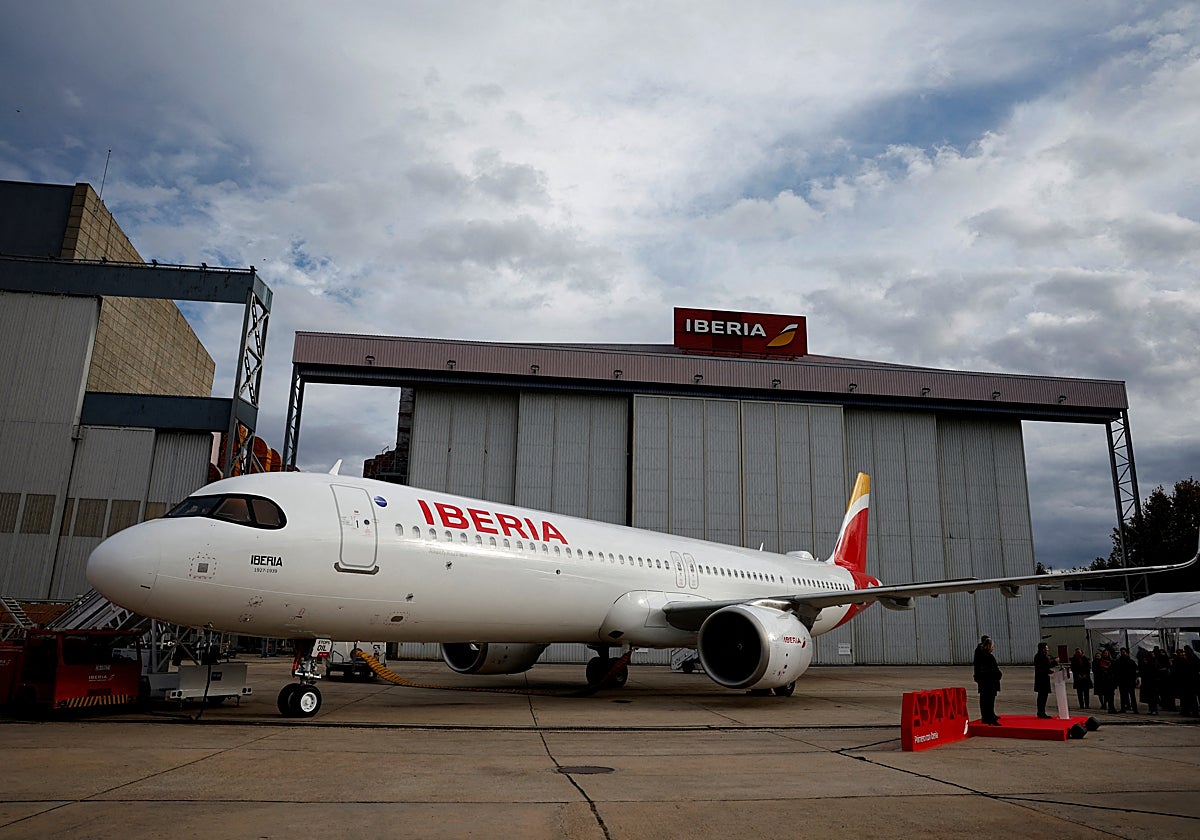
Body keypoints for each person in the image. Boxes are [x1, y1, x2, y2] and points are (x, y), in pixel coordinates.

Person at [973, 634, 1003, 725]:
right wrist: (998, 674)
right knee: (988, 700)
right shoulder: (987, 656)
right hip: (989, 682)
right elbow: (993, 670)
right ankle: (989, 718)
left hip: (984, 681)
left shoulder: (981, 654)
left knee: (985, 700)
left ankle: (987, 717)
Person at [1033, 642, 1056, 718]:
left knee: (1041, 696)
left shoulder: (1037, 656)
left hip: (1040, 678)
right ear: (1043, 649)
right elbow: (1046, 666)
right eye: (1046, 648)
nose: (1047, 649)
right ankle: (1041, 712)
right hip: (1043, 679)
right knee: (1043, 697)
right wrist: (1055, 662)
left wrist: (1049, 671)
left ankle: (1040, 712)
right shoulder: (1042, 657)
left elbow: (1042, 667)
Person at [1114, 647, 1139, 713]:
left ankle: (1135, 709)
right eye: (1122, 652)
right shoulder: (1119, 662)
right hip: (1122, 681)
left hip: (1130, 681)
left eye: (1124, 652)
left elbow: (1135, 671)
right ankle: (1123, 708)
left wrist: (1135, 679)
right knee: (1123, 696)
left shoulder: (1131, 662)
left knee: (1132, 696)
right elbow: (1116, 671)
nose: (1123, 653)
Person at [1138, 650, 1158, 715]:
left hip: (1152, 683)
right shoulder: (1146, 666)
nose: (1144, 661)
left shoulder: (1152, 665)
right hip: (1147, 683)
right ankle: (1151, 709)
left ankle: (1154, 710)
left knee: (1152, 698)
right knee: (1150, 698)